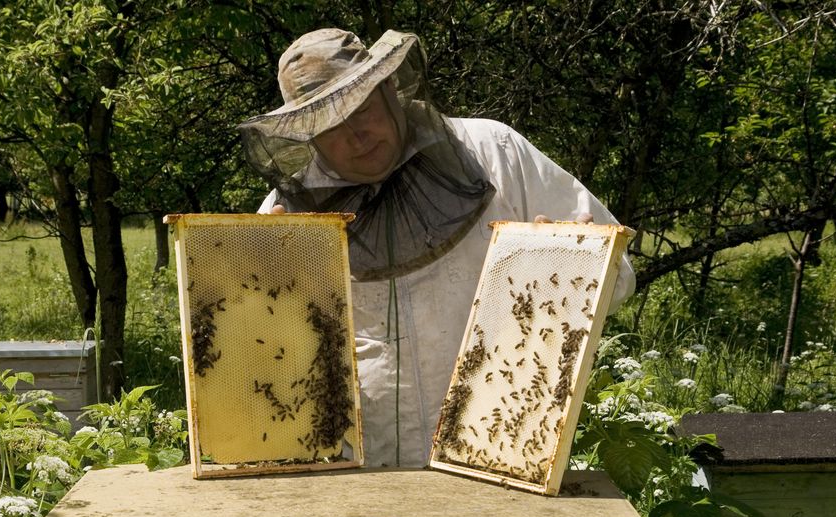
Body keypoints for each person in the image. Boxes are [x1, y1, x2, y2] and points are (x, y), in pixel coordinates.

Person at [238, 28, 634, 468]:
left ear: (388, 88)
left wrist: (579, 255)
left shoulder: (494, 152)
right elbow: (254, 362)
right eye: (330, 126)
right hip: (359, 473)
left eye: (363, 108)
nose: (356, 135)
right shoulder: (286, 213)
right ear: (306, 135)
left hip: (503, 452)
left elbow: (619, 282)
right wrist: (260, 291)